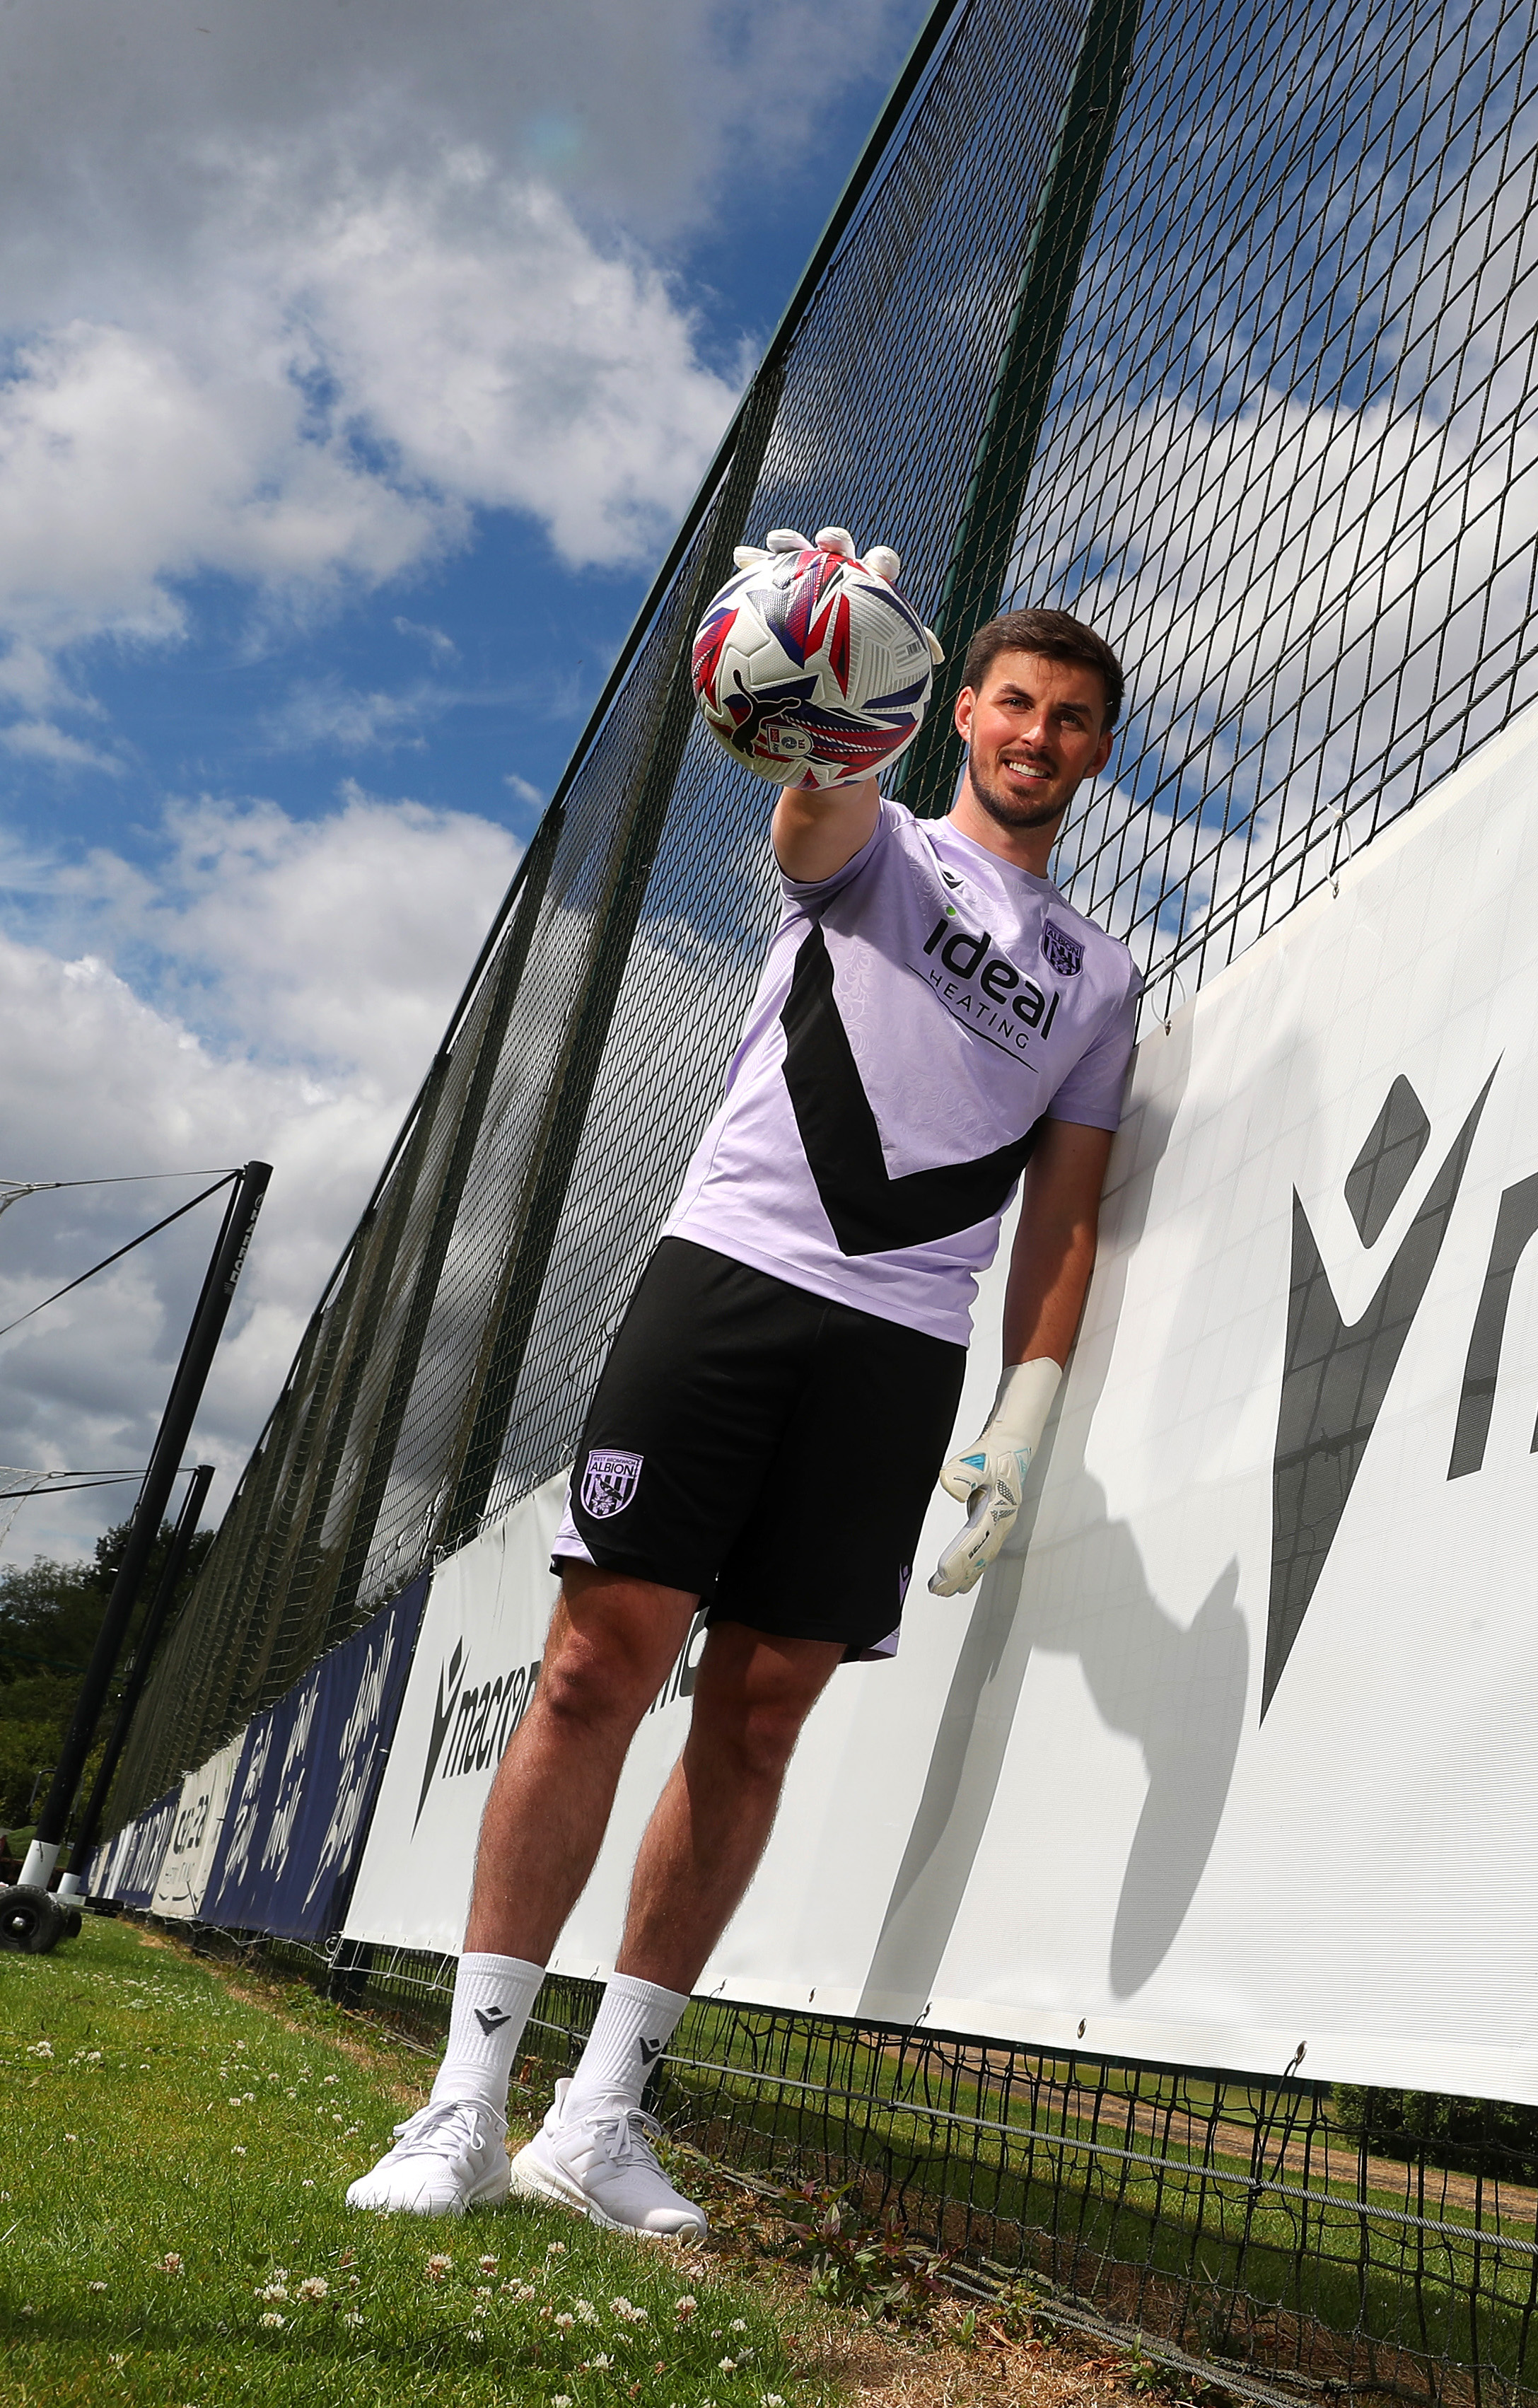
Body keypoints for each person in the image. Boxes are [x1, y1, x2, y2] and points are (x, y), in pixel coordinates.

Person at [350, 549, 1139, 2236]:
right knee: (590, 1669)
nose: (1038, 733)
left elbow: (1061, 1211)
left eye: (1072, 720)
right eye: (1013, 701)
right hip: (732, 1275)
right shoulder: (879, 837)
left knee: (762, 1708)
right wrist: (820, 685)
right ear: (962, 713)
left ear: (1092, 755)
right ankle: (461, 2104)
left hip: (904, 1343)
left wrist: (1027, 1405)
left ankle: (598, 2113)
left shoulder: (1099, 977)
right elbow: (806, 825)